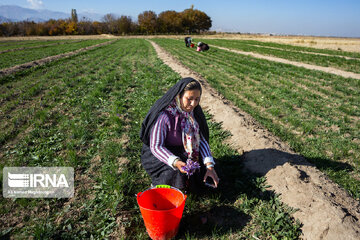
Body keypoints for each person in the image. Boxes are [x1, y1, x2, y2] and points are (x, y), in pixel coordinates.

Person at [140, 77, 219, 192]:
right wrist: (175, 161)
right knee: (176, 173)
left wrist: (209, 166)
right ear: (179, 96)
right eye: (189, 99)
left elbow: (200, 141)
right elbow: (156, 146)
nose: (193, 104)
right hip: (160, 152)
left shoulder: (194, 114)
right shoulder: (165, 116)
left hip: (182, 149)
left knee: (200, 168)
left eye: (197, 99)